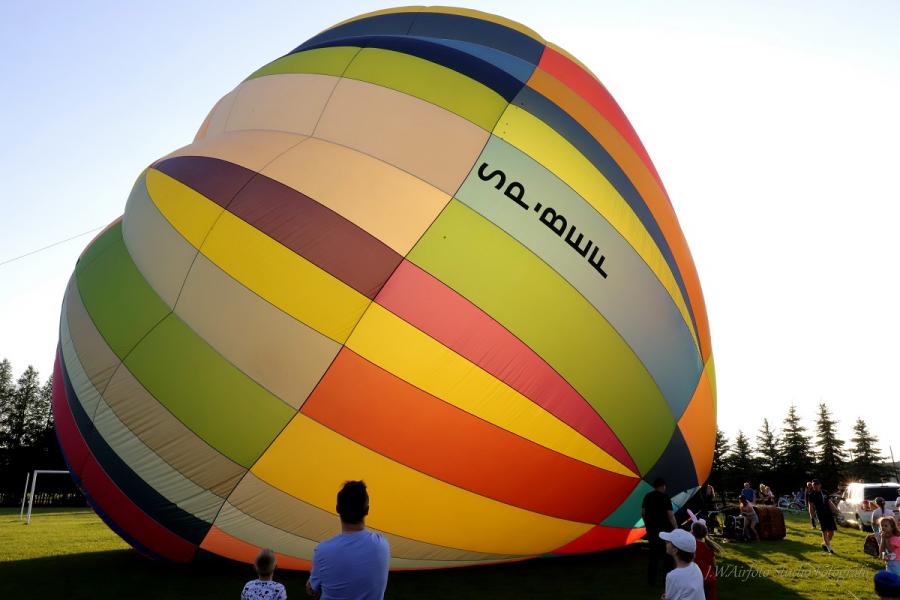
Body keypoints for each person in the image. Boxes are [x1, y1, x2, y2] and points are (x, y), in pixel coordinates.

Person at [306, 481, 390, 600]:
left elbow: (312, 589)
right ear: (367, 510)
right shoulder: (382, 544)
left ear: (337, 509)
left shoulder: (323, 550)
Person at [642, 477, 678, 586]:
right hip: (665, 532)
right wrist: (676, 527)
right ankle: (666, 580)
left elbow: (643, 512)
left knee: (653, 556)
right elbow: (670, 515)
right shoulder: (665, 497)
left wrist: (647, 524)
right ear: (663, 486)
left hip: (652, 531)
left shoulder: (648, 496)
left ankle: (651, 581)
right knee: (668, 556)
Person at [659, 529, 705, 600]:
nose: (665, 542)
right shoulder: (696, 567)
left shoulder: (672, 576)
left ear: (675, 550)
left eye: (668, 542)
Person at [807, 478, 839, 553]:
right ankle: (829, 548)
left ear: (820, 485)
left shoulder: (825, 492)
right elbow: (810, 506)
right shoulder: (811, 495)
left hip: (828, 513)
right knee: (824, 530)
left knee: (831, 532)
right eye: (814, 485)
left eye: (817, 484)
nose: (815, 486)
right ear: (812, 485)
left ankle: (825, 544)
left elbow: (829, 502)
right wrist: (812, 515)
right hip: (820, 514)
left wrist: (836, 510)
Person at [691, 521, 718, 600]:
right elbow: (714, 564)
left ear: (692, 532)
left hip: (695, 578)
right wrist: (714, 574)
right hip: (709, 577)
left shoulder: (691, 546)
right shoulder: (708, 547)